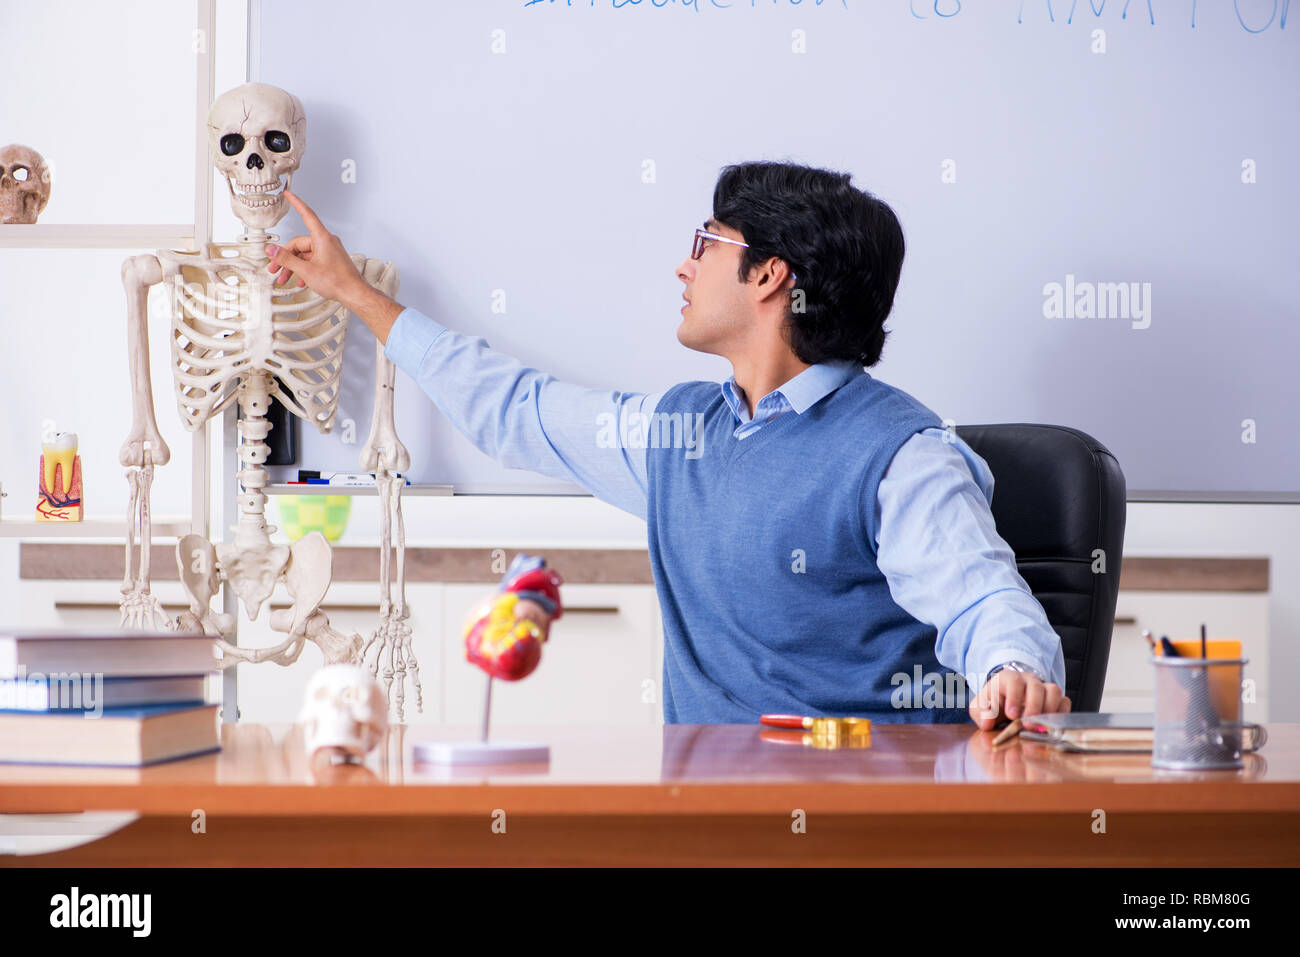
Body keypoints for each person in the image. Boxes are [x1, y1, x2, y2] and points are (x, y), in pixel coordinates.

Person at [266, 161, 1072, 730]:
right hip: (702, 816)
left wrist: (1014, 670)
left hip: (857, 821)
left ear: (769, 276)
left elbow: (983, 599)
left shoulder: (902, 455)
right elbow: (517, 409)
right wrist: (354, 294)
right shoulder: (681, 433)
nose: (683, 267)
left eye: (707, 242)